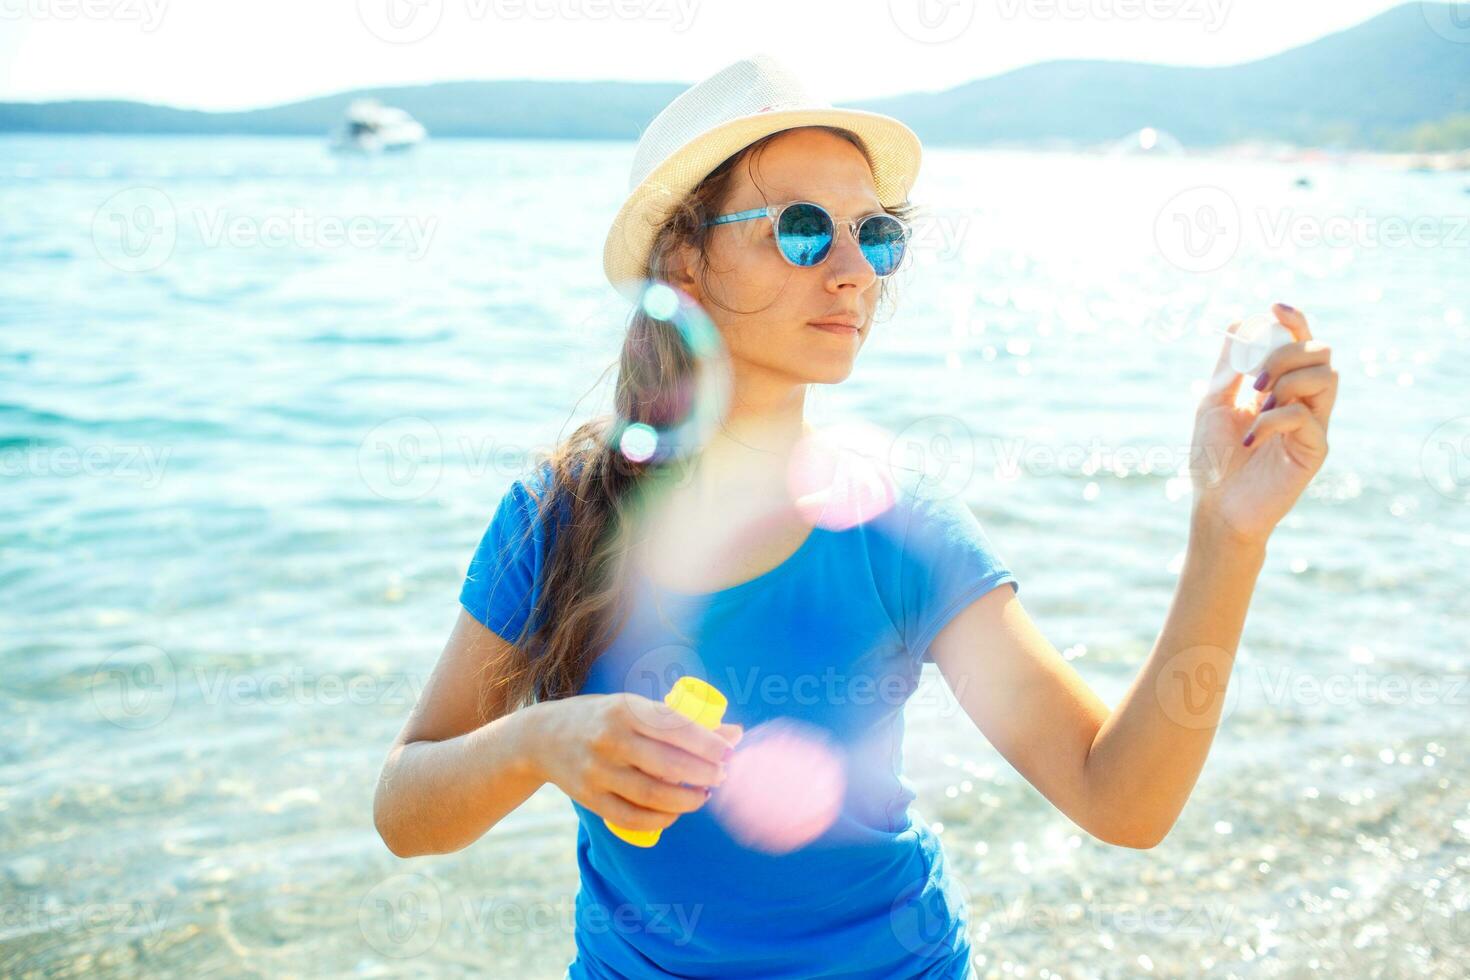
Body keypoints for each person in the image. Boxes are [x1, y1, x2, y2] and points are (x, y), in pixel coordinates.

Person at [372, 54, 1339, 979]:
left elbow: (1118, 798)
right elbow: (407, 815)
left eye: (875, 236)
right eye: (801, 228)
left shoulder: (898, 532)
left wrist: (1228, 533)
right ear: (684, 261)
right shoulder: (559, 517)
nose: (852, 271)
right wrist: (540, 742)